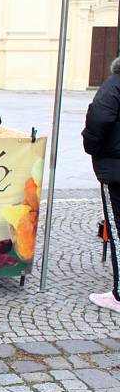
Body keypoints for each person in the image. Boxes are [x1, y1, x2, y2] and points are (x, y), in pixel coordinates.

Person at [82, 56, 120, 314]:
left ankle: (118, 295)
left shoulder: (113, 86)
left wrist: (92, 146)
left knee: (117, 231)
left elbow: (97, 120)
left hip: (116, 169)